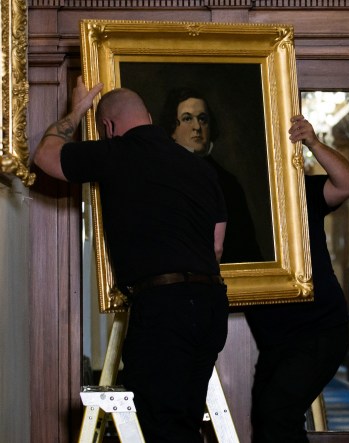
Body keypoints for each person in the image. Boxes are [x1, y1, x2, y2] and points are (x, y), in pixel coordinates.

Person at [32, 76, 229, 443]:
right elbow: (216, 246)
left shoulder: (116, 152)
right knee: (185, 422)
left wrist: (75, 110)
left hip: (164, 308)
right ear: (151, 117)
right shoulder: (201, 168)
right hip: (211, 306)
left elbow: (45, 156)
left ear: (108, 127)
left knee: (160, 427)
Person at [243, 115, 349, 442]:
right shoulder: (234, 201)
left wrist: (313, 142)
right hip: (275, 340)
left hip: (319, 329)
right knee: (267, 423)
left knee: (277, 415)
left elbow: (348, 182)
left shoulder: (299, 192)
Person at [159, 87, 264, 263]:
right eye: (187, 119)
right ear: (172, 129)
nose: (197, 127)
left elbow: (246, 248)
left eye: (203, 119)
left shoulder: (228, 183)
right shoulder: (161, 177)